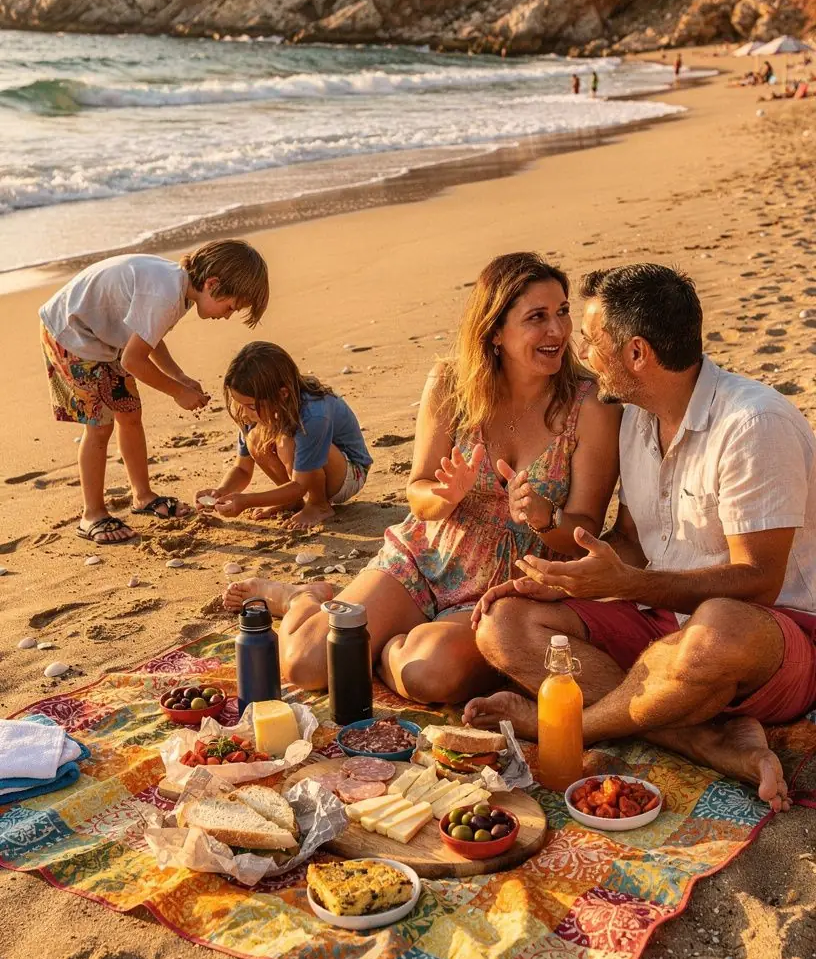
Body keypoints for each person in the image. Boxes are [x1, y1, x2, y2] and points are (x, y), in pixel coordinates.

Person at [465, 263, 816, 812]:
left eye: (592, 338)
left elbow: (759, 582)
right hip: (663, 624)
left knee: (717, 625)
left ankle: (562, 726)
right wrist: (573, 582)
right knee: (504, 622)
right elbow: (630, 537)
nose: (579, 349)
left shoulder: (753, 425)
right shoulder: (634, 417)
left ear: (635, 354)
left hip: (769, 636)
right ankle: (698, 738)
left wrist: (628, 583)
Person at [224, 253, 621, 703]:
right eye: (538, 317)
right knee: (308, 663)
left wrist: (544, 517)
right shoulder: (451, 383)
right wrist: (446, 496)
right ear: (494, 331)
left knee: (432, 674)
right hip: (426, 555)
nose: (558, 331)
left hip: (509, 586)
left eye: (562, 312)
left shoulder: (592, 407)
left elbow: (584, 533)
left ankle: (384, 642)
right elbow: (419, 494)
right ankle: (304, 598)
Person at [39, 241, 269, 545]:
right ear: (213, 284)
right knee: (99, 425)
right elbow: (133, 360)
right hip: (72, 335)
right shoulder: (165, 294)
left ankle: (142, 496)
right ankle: (91, 514)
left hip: (106, 339)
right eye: (230, 308)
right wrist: (177, 392)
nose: (227, 316)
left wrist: (179, 376)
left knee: (130, 414)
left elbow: (149, 336)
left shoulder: (181, 289)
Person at [201, 342, 372, 530]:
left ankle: (318, 504)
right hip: (303, 476)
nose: (245, 413)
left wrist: (247, 501)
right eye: (239, 404)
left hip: (348, 473)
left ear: (282, 394)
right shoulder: (251, 414)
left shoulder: (313, 414)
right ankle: (292, 502)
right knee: (256, 439)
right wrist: (222, 491)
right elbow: (242, 469)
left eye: (251, 406)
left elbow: (300, 484)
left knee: (286, 440)